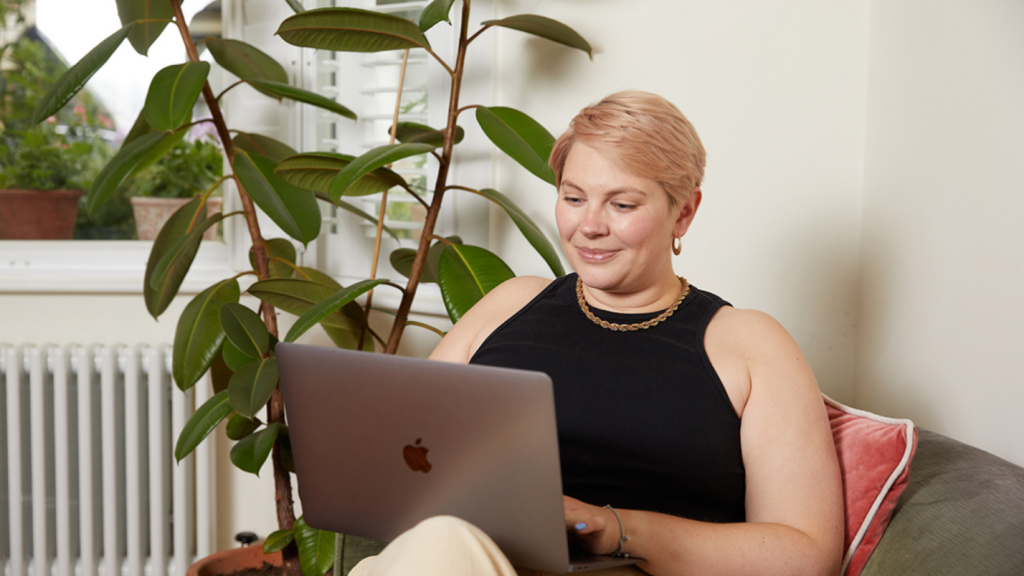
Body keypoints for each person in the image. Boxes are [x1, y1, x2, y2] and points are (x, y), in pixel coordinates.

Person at [351, 91, 844, 576]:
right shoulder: (510, 302)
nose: (589, 226)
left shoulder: (748, 344)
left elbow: (804, 553)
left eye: (622, 204)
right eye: (573, 198)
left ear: (684, 212)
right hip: (460, 552)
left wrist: (614, 528)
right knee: (441, 543)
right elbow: (404, 451)